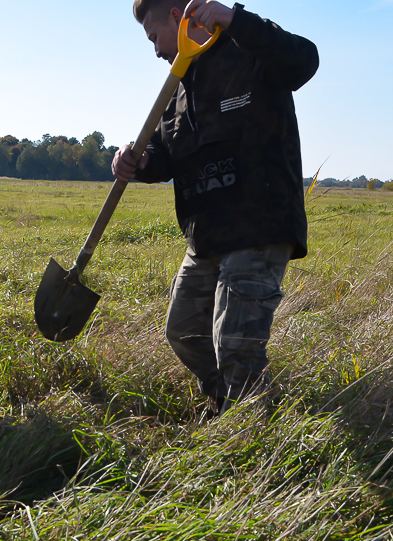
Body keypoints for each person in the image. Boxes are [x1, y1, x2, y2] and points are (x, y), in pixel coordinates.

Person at [112, 0, 318, 415]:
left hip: (258, 228)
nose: (154, 50)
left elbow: (304, 60)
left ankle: (252, 433)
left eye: (154, 37)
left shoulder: (249, 50)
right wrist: (141, 160)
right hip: (205, 236)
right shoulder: (179, 84)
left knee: (236, 347)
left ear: (176, 15)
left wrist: (236, 19)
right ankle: (226, 401)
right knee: (184, 330)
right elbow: (167, 152)